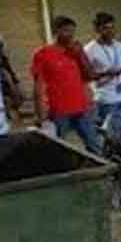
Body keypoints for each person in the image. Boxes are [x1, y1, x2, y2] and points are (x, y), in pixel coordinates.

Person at [32, 15, 102, 154]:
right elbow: (38, 86)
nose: (70, 35)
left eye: (72, 31)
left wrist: (80, 54)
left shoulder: (75, 52)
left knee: (95, 146)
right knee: (58, 149)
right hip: (58, 111)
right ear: (56, 31)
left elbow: (91, 76)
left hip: (82, 108)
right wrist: (40, 115)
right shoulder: (43, 54)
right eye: (66, 31)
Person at [84, 12, 121, 124]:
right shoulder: (89, 50)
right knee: (114, 134)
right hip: (107, 99)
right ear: (97, 29)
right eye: (105, 28)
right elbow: (86, 76)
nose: (110, 31)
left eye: (112, 27)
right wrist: (106, 74)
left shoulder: (120, 45)